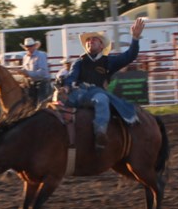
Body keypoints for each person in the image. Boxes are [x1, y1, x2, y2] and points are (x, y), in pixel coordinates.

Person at [60, 17, 145, 151]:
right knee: (57, 103)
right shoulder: (79, 62)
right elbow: (72, 77)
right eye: (88, 40)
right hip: (79, 92)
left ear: (101, 46)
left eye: (94, 40)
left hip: (96, 92)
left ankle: (100, 132)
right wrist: (66, 86)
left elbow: (129, 56)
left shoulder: (109, 61)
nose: (90, 41)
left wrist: (135, 39)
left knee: (102, 99)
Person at [21, 36, 51, 103]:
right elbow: (25, 69)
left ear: (34, 46)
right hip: (31, 84)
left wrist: (27, 73)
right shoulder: (25, 57)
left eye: (30, 46)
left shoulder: (41, 55)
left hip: (42, 83)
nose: (29, 48)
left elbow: (43, 72)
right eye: (27, 46)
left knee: (41, 104)